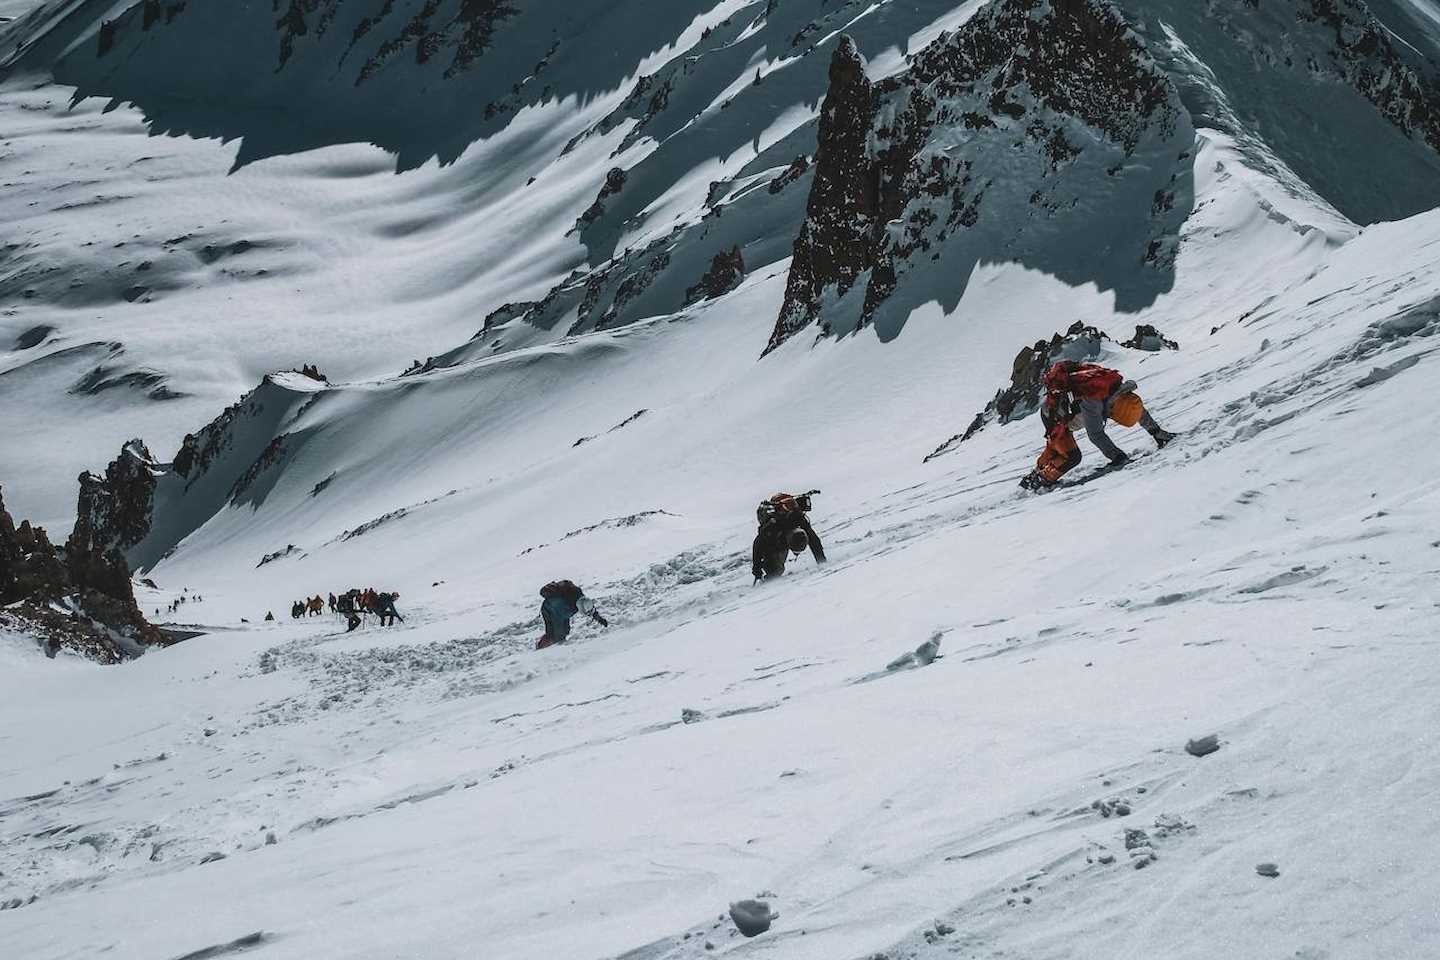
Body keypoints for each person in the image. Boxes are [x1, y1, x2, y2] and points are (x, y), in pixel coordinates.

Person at [1021, 360, 1175, 490]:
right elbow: (1095, 434)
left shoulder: (1119, 391)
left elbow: (1137, 410)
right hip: (1054, 417)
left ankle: (1036, 473)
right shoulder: (1091, 400)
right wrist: (1118, 456)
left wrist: (1156, 432)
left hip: (1064, 410)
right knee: (1071, 456)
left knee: (1056, 449)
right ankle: (1039, 481)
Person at [751, 491, 826, 582]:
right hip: (776, 543)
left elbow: (814, 542)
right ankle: (770, 580)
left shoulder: (799, 520)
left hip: (782, 538)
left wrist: (821, 561)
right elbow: (758, 545)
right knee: (775, 572)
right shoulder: (772, 529)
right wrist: (757, 569)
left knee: (775, 570)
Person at [536, 580, 607, 649]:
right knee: (555, 636)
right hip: (549, 610)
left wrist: (600, 620)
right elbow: (558, 618)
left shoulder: (582, 599)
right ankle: (541, 649)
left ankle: (551, 647)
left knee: (564, 632)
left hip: (559, 611)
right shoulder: (563, 604)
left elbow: (591, 610)